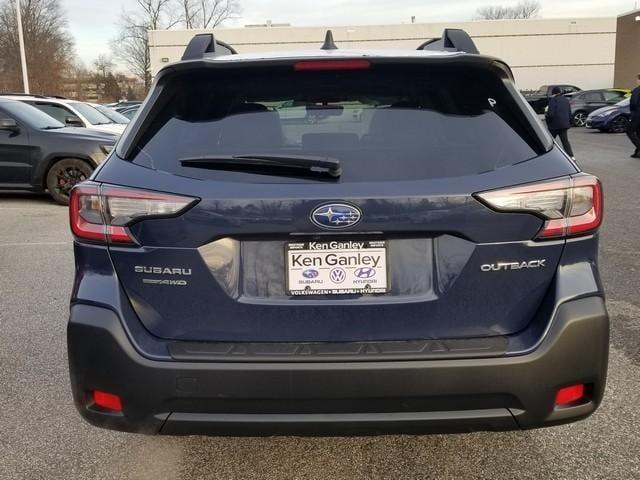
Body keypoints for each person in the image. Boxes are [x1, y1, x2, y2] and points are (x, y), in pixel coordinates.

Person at [545, 86, 575, 160]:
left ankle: (547, 156)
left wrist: (548, 121)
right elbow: (569, 113)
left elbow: (551, 114)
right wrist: (569, 123)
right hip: (564, 124)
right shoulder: (566, 100)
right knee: (565, 141)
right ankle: (571, 156)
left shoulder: (553, 100)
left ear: (553, 93)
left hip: (554, 125)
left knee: (550, 141)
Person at [627, 74, 640, 158]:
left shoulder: (637, 90)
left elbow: (634, 102)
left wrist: (632, 113)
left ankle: (639, 147)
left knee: (629, 130)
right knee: (639, 133)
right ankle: (637, 152)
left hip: (637, 114)